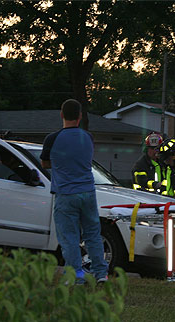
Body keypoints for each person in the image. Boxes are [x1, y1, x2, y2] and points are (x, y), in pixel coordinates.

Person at [40, 99, 108, 284]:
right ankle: (100, 273)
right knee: (93, 234)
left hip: (66, 193)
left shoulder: (52, 139)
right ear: (79, 116)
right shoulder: (88, 137)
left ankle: (75, 275)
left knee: (69, 237)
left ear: (61, 115)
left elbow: (45, 163)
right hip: (87, 191)